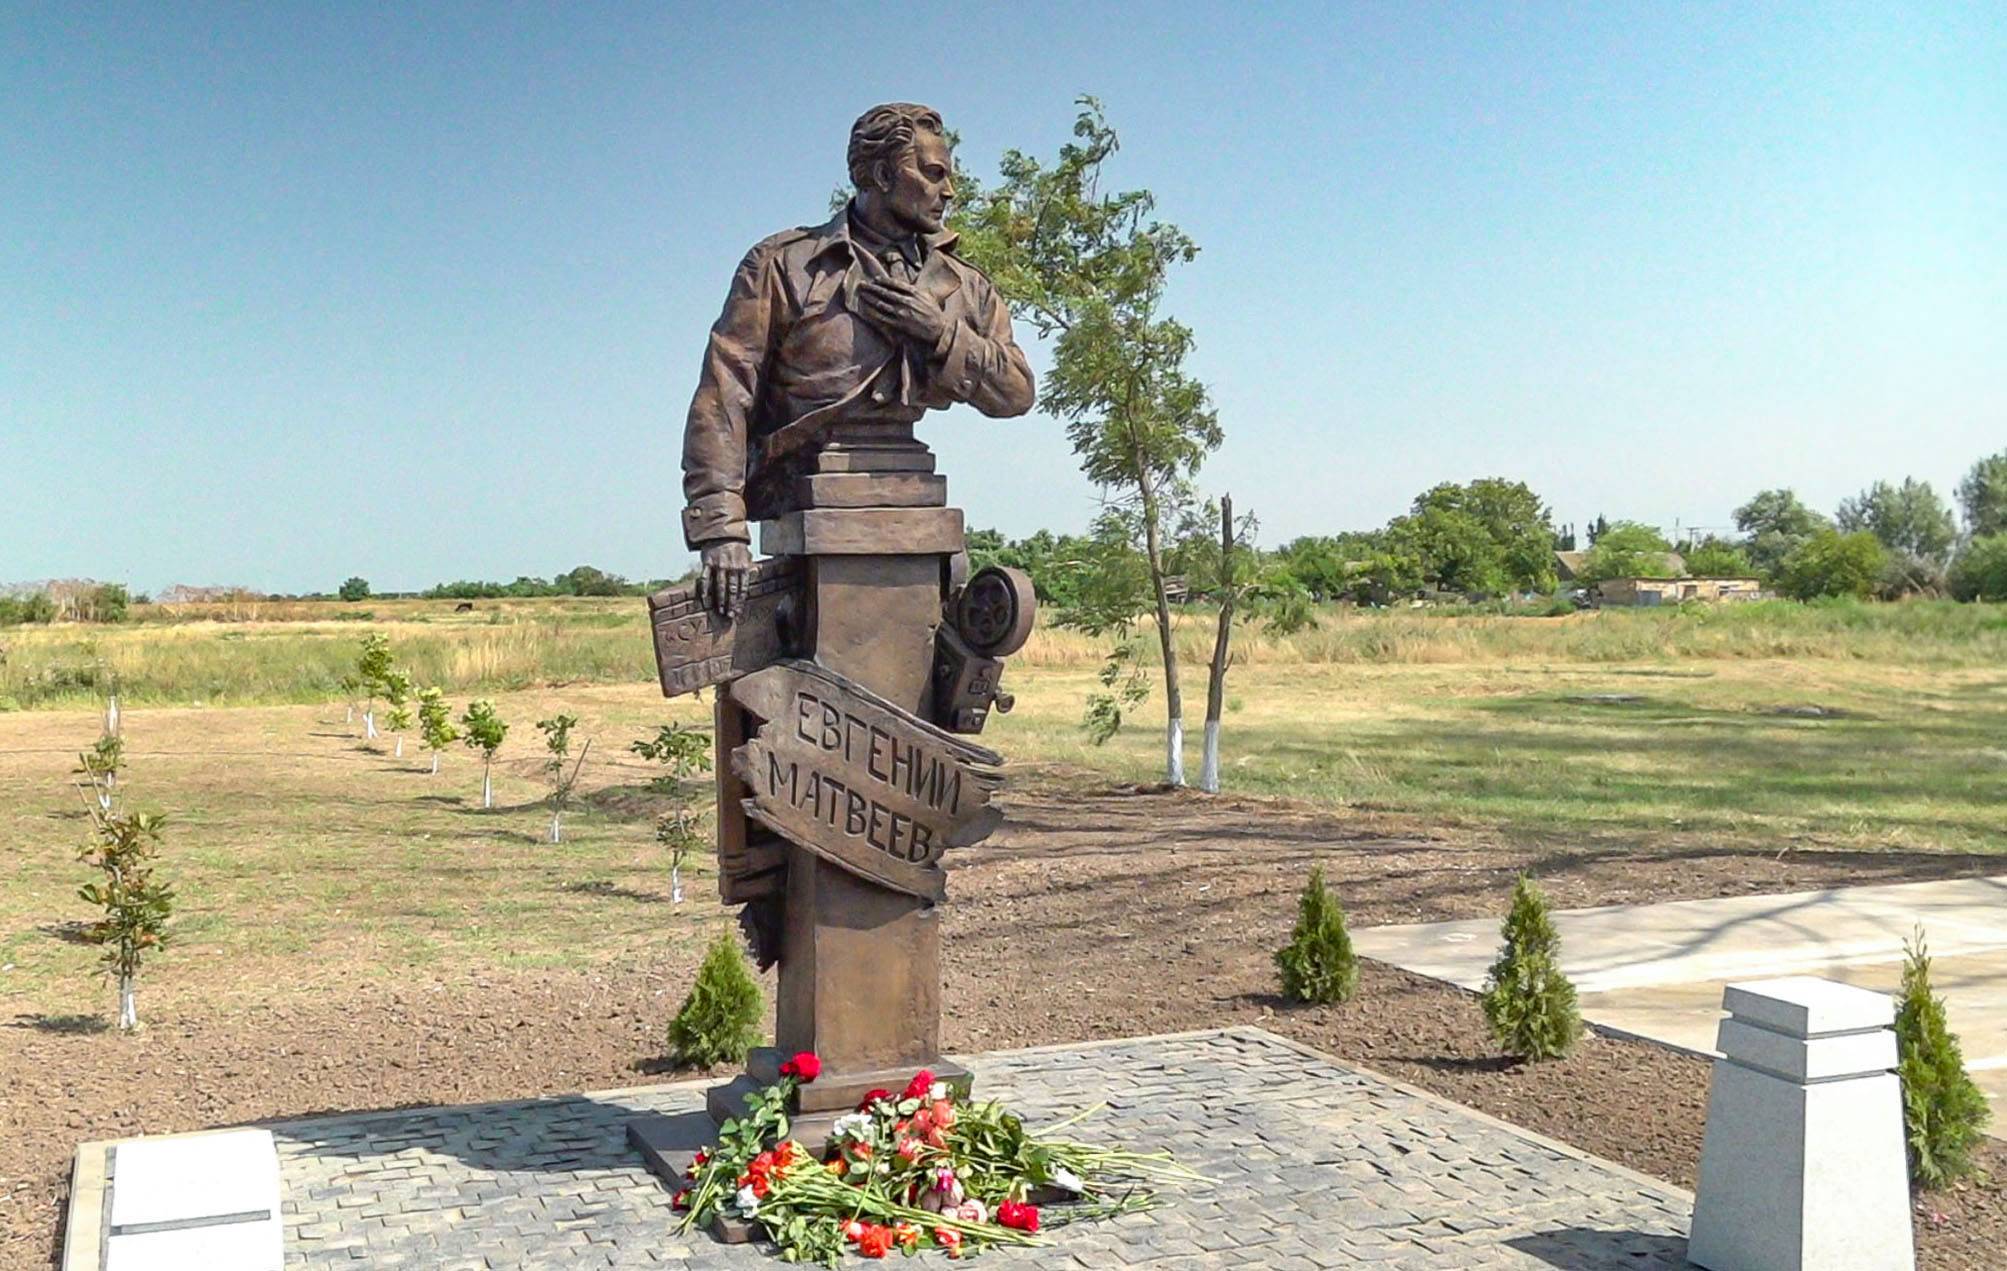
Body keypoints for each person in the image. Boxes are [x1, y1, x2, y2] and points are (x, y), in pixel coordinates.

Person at [680, 102, 1034, 618]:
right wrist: (721, 531)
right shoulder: (785, 266)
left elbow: (1017, 392)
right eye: (933, 173)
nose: (949, 191)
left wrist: (940, 334)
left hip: (911, 490)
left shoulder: (963, 286)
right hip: (805, 492)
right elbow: (724, 395)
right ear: (883, 175)